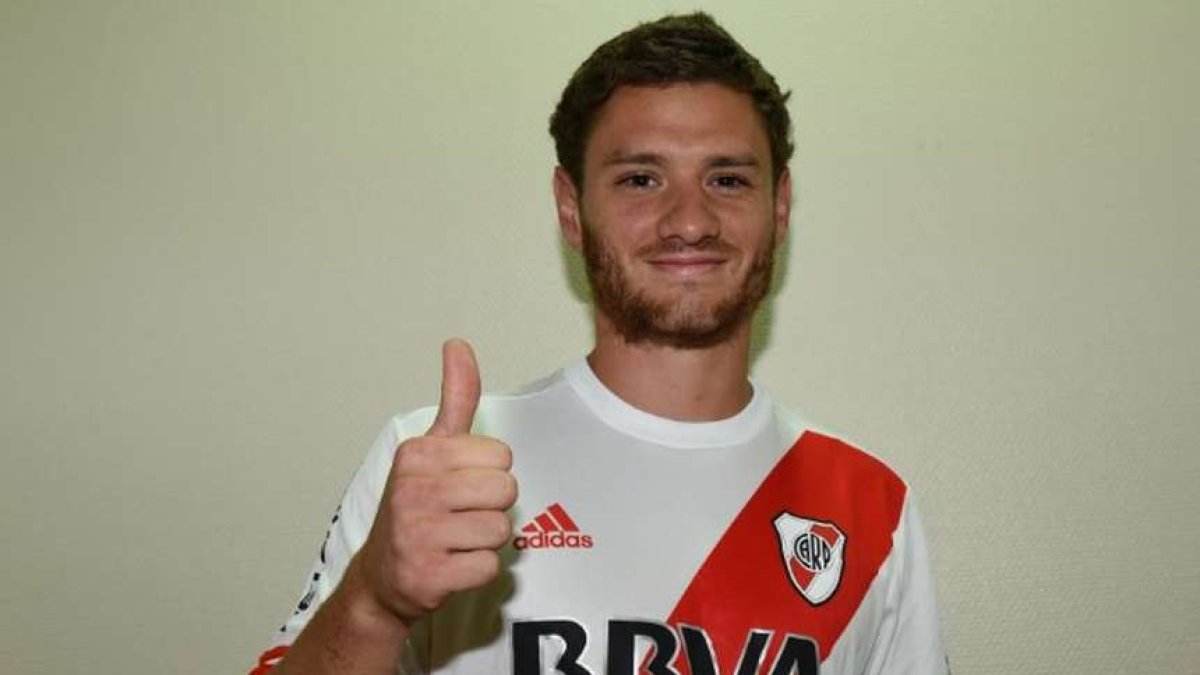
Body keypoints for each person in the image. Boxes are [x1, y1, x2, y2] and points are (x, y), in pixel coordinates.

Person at [252, 12, 947, 675]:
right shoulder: (439, 468)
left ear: (781, 206)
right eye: (641, 179)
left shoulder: (870, 506)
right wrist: (374, 602)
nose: (690, 221)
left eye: (727, 178)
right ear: (570, 209)